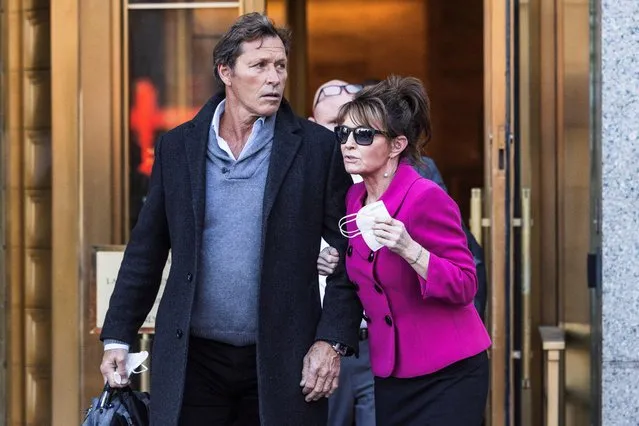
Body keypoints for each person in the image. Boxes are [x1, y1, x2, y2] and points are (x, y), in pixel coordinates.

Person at [99, 13, 362, 426]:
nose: (274, 77)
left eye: (280, 66)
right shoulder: (178, 146)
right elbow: (147, 249)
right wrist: (117, 335)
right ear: (226, 71)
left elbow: (354, 249)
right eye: (259, 66)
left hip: (284, 360)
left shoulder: (316, 148)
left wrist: (331, 340)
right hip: (194, 360)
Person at [329, 75, 491, 425]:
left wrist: (410, 249)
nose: (348, 144)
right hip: (392, 374)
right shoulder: (354, 199)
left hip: (449, 373)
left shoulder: (425, 197)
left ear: (396, 144)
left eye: (363, 135)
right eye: (343, 134)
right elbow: (366, 275)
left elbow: (465, 284)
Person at [309, 80, 376, 426]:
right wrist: (313, 258)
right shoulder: (300, 180)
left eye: (356, 126)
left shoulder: (395, 178)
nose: (346, 136)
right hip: (318, 346)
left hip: (378, 346)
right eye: (335, 125)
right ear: (312, 126)